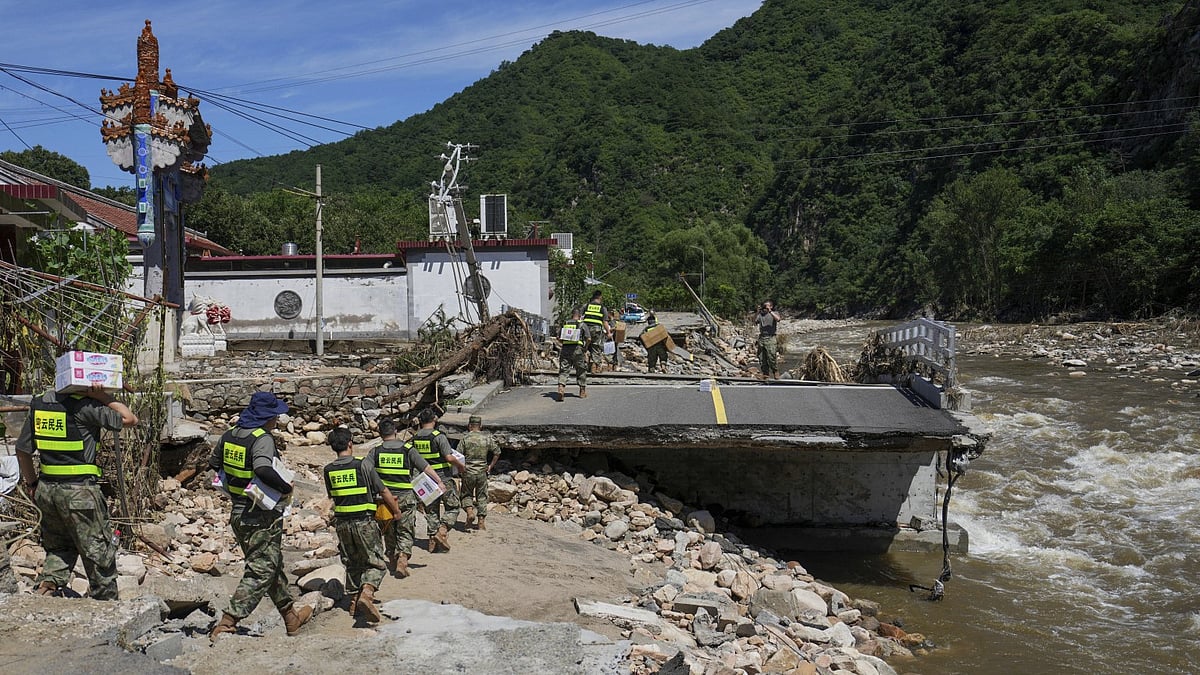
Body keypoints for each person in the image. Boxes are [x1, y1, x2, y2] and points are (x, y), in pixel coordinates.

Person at [15, 382, 138, 600]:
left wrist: (32, 484)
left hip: (47, 490)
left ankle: (45, 592)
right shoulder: (85, 406)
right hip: (80, 493)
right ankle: (107, 606)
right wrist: (102, 396)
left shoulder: (41, 403)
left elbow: (22, 450)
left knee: (59, 547)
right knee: (98, 553)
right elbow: (129, 418)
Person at [208, 391, 311, 640]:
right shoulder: (261, 438)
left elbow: (214, 463)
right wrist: (285, 487)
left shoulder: (229, 434)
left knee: (270, 563)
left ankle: (291, 617)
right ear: (266, 417)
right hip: (260, 515)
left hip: (238, 512)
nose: (277, 419)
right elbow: (263, 468)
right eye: (275, 415)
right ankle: (229, 621)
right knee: (261, 569)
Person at [322, 426, 399, 623]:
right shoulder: (363, 465)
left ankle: (354, 602)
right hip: (364, 521)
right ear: (350, 444)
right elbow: (383, 491)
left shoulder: (328, 470)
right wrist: (396, 511)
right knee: (376, 563)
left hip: (342, 524)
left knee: (353, 562)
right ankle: (367, 592)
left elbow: (333, 497)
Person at [367, 417, 446, 578]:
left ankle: (392, 558)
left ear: (380, 434)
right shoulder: (408, 449)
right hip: (406, 497)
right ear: (395, 432)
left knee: (389, 530)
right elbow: (425, 467)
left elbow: (366, 472)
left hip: (385, 499)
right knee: (406, 530)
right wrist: (439, 482)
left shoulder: (375, 451)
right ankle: (403, 558)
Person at [409, 407, 466, 553]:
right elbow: (448, 457)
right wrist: (460, 465)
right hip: (443, 477)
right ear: (434, 420)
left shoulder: (415, 438)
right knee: (453, 506)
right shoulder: (438, 436)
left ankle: (432, 542)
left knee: (431, 510)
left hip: (425, 480)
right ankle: (442, 530)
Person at [457, 415, 500, 531]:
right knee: (482, 496)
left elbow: (458, 455)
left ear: (469, 426)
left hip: (468, 472)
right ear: (481, 426)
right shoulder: (487, 438)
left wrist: (461, 468)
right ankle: (481, 522)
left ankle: (470, 511)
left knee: (466, 495)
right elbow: (497, 452)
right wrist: (490, 466)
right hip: (482, 472)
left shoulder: (465, 439)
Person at [557, 306, 590, 401]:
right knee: (581, 370)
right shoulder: (582, 324)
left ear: (572, 315)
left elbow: (558, 338)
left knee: (564, 370)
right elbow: (589, 338)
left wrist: (563, 344)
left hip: (566, 349)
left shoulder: (566, 323)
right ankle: (582, 391)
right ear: (580, 316)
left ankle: (561, 388)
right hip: (578, 349)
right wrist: (585, 348)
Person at [582, 290, 611, 373]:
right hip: (596, 330)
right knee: (596, 347)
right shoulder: (602, 308)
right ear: (600, 297)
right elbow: (605, 322)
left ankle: (584, 365)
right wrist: (608, 332)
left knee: (585, 347)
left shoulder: (586, 306)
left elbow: (579, 316)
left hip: (586, 329)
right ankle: (595, 367)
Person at [755, 300, 782, 379]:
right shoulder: (760, 315)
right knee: (761, 357)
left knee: (771, 356)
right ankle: (765, 373)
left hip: (771, 337)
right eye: (764, 306)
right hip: (762, 337)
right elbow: (755, 321)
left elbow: (778, 319)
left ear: (771, 306)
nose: (765, 308)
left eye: (767, 306)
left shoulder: (774, 313)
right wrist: (757, 312)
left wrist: (770, 311)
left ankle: (775, 371)